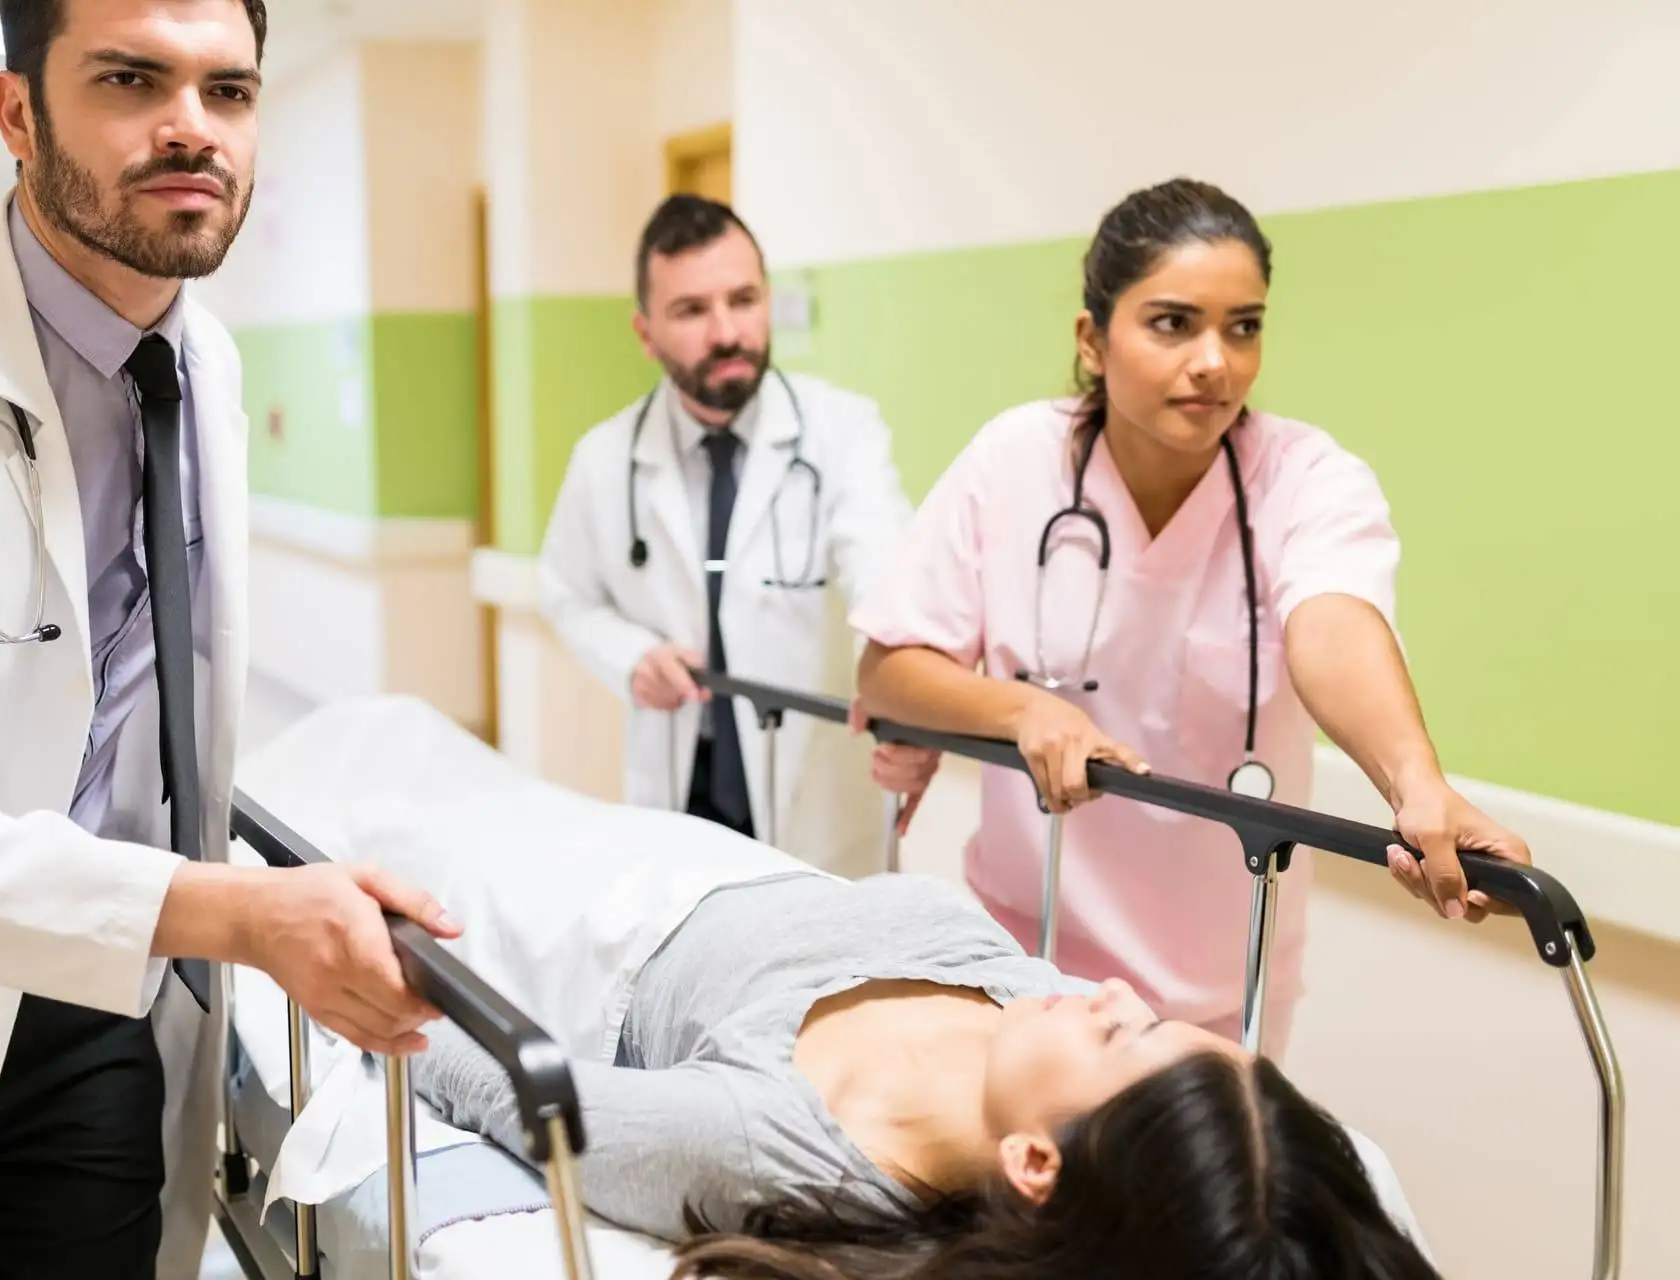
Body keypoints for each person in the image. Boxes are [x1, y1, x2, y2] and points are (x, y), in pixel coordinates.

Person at [0, 2, 452, 1277]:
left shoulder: (206, 369)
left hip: (100, 1003)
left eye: (229, 91)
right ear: (18, 113)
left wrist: (198, 918)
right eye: (132, 78)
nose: (191, 126)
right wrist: (239, 912)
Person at [852, 177, 1532, 1060]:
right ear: (1093, 340)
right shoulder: (1017, 458)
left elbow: (1331, 623)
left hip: (1222, 984)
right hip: (1026, 957)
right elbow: (890, 665)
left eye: (1243, 326)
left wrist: (1415, 784)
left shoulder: (1305, 478)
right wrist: (1028, 711)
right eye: (1174, 323)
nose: (1216, 360)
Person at [415, 870, 1437, 1279]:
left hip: (576, 901)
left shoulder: (765, 1142)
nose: (1113, 988)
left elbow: (488, 1075)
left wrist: (365, 949)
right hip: (724, 853)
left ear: (1036, 1161)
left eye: (1123, 1035)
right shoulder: (1038, 1026)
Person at [539, 194, 938, 867]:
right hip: (680, 783)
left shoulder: (843, 432)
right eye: (692, 310)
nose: (727, 331)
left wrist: (913, 698)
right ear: (645, 333)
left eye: (744, 299)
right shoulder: (604, 460)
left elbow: (884, 581)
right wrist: (632, 656)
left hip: (814, 790)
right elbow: (564, 593)